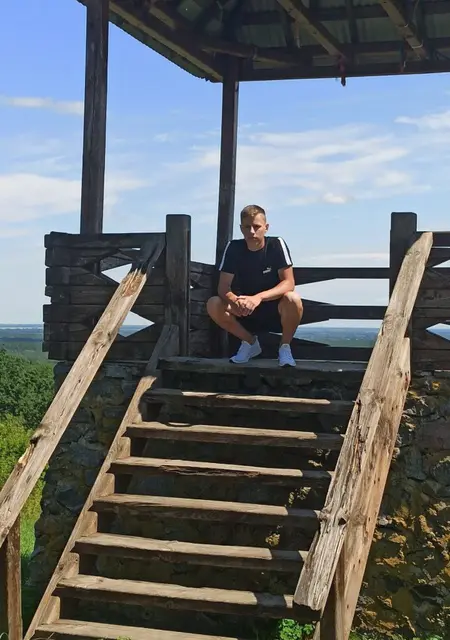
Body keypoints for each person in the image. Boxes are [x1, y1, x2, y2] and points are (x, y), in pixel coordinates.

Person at [207, 204, 303, 366]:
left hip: (275, 309)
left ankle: (284, 348)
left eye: (257, 226)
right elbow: (223, 287)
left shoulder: (276, 244)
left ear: (266, 227)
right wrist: (235, 301)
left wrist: (257, 298)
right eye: (247, 227)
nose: (252, 231)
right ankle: (250, 343)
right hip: (243, 310)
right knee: (214, 303)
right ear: (241, 228)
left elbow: (289, 283)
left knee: (293, 299)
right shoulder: (233, 248)